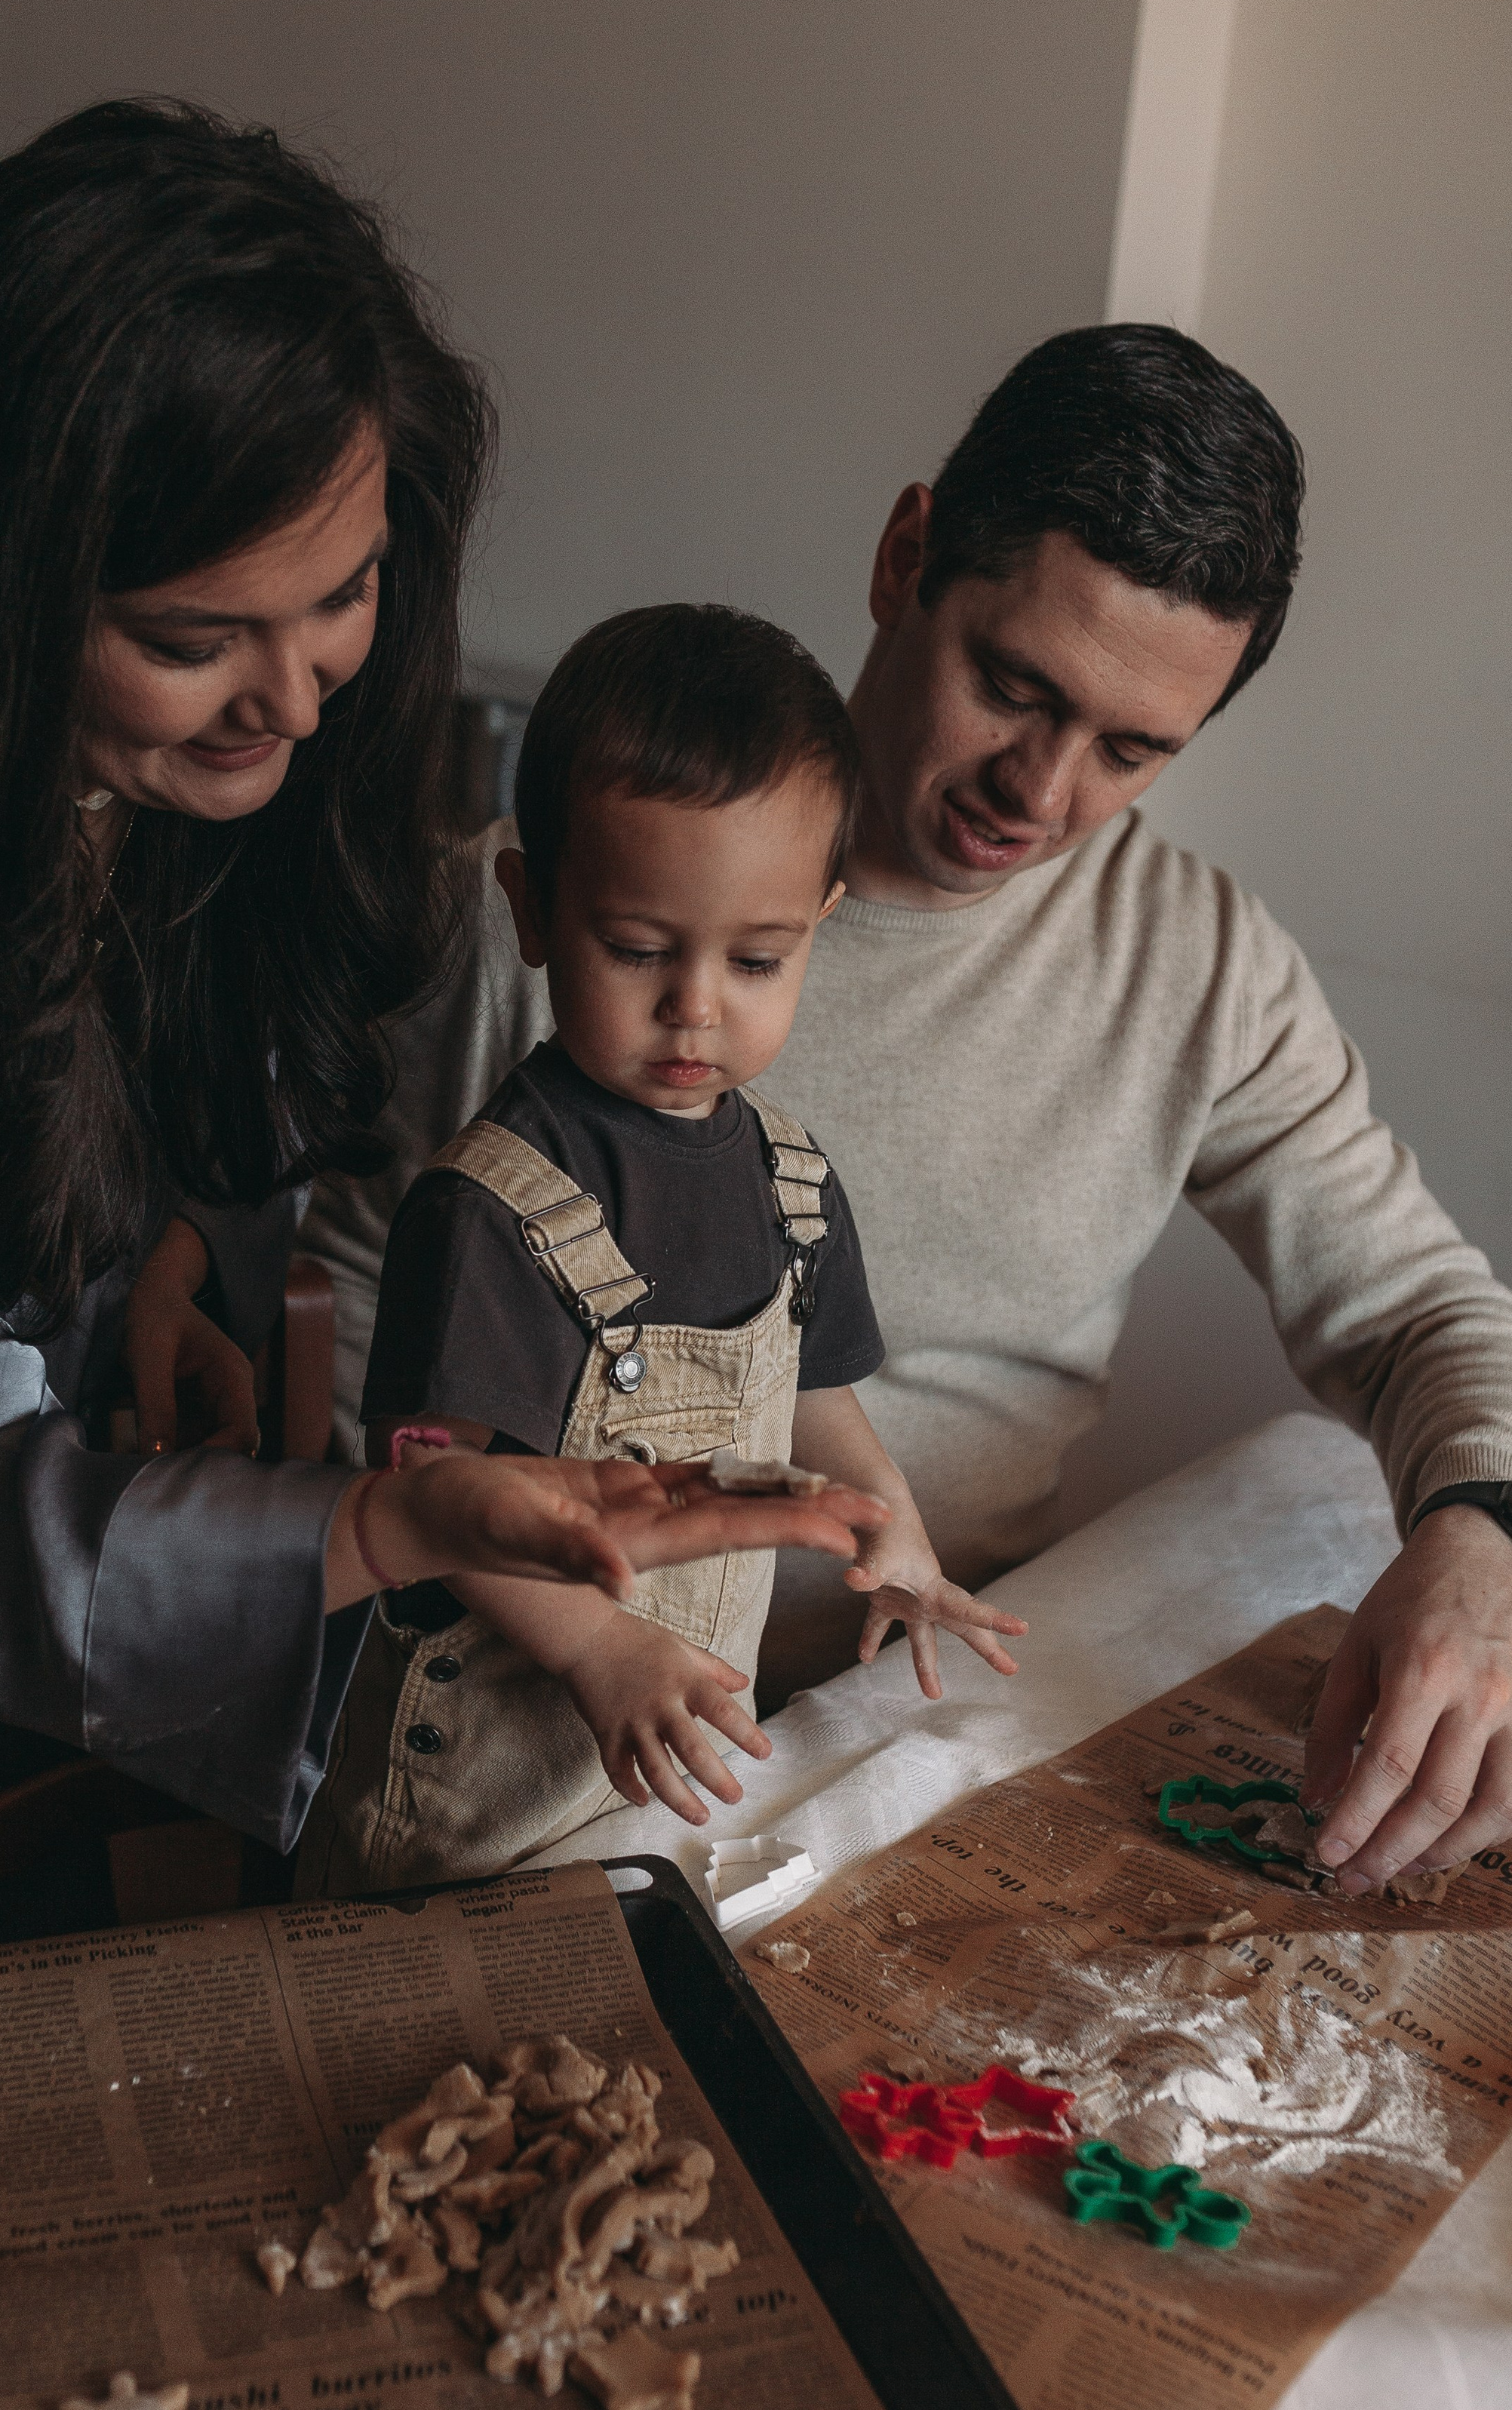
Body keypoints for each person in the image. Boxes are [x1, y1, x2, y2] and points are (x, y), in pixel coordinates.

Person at [0, 101, 878, 2410]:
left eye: (354, 592)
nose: (299, 691)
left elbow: (221, 1073)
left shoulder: (267, 695)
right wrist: (387, 1529)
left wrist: (191, 1247)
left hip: (38, 1577)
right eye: (199, 634)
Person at [300, 324, 1512, 1901]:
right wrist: (552, 1641)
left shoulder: (1198, 970)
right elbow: (339, 1343)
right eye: (1011, 686)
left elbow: (1422, 1304)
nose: (1041, 789)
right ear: (904, 557)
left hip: (913, 1730)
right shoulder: (533, 914)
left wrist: (1476, 1542)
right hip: (546, 1739)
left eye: (1131, 749)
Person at [297, 607, 1025, 1892]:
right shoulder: (490, 1211)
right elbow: (432, 1511)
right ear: (532, 908)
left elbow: (812, 1396)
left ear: (822, 923)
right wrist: (601, 1653)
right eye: (637, 949)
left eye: (758, 957)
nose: (696, 1005)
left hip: (662, 1762)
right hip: (476, 1797)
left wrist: (893, 1533)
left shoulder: (791, 1186)